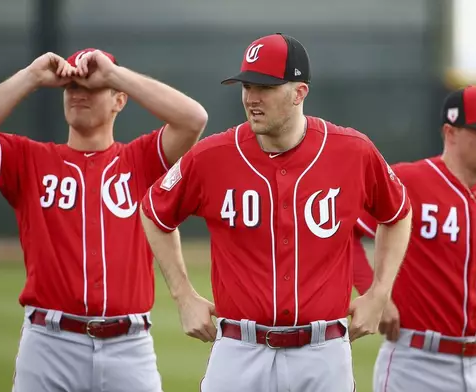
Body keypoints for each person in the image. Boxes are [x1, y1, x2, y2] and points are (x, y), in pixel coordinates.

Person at [139, 33, 412, 392]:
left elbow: (398, 213)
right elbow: (154, 212)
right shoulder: (212, 156)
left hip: (323, 352)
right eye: (247, 86)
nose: (252, 98)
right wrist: (183, 294)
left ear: (299, 92)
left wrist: (379, 291)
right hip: (239, 350)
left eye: (265, 87)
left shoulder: (352, 151)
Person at [0, 48, 208, 392]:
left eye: (92, 86)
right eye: (70, 87)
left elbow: (193, 119)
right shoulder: (30, 161)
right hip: (49, 346)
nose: (79, 92)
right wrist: (32, 77)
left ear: (119, 101)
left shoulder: (141, 161)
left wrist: (113, 74)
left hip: (128, 346)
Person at [352, 85, 476, 392]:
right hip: (415, 362)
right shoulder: (409, 181)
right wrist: (375, 293)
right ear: (450, 132)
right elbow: (347, 234)